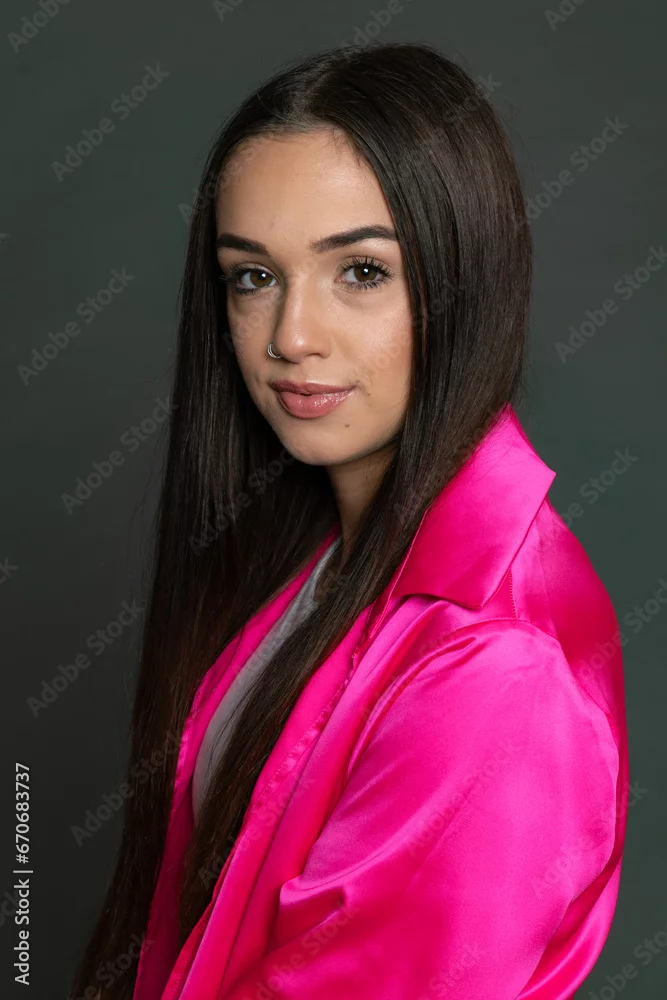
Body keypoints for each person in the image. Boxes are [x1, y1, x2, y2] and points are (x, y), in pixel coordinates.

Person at [70, 41, 628, 1000]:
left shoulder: (495, 665)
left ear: (466, 277)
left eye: (361, 272)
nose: (291, 337)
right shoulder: (329, 557)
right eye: (253, 277)